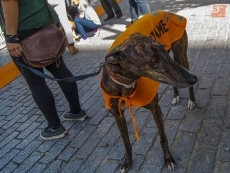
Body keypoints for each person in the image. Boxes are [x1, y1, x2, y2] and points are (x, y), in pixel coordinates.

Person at [0, 0, 88, 140]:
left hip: (23, 31)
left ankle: (55, 127)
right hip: (44, 23)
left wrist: (11, 37)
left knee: (36, 82)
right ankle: (76, 112)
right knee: (60, 70)